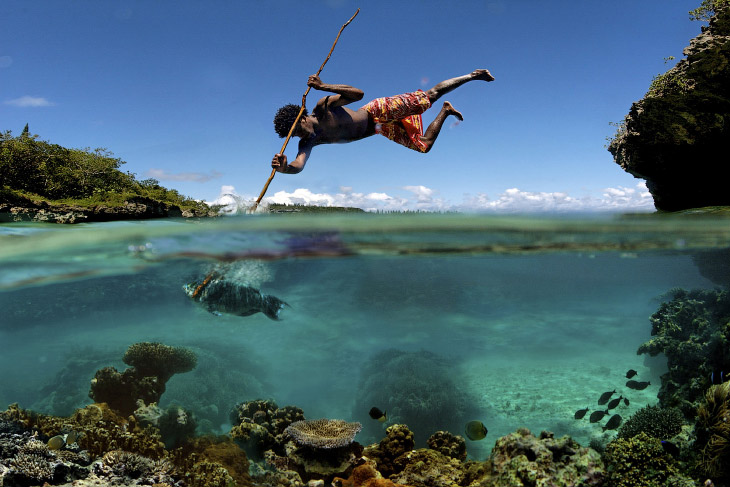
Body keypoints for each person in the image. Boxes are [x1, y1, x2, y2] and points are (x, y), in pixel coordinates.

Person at [271, 69, 495, 174]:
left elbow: (358, 94)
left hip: (378, 110)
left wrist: (324, 87)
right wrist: (284, 169)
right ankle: (446, 112)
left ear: (301, 118)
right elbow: (298, 166)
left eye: (296, 131)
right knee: (423, 147)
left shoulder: (323, 107)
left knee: (431, 96)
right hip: (381, 128)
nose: (298, 137)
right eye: (293, 137)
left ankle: (472, 76)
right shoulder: (308, 141)